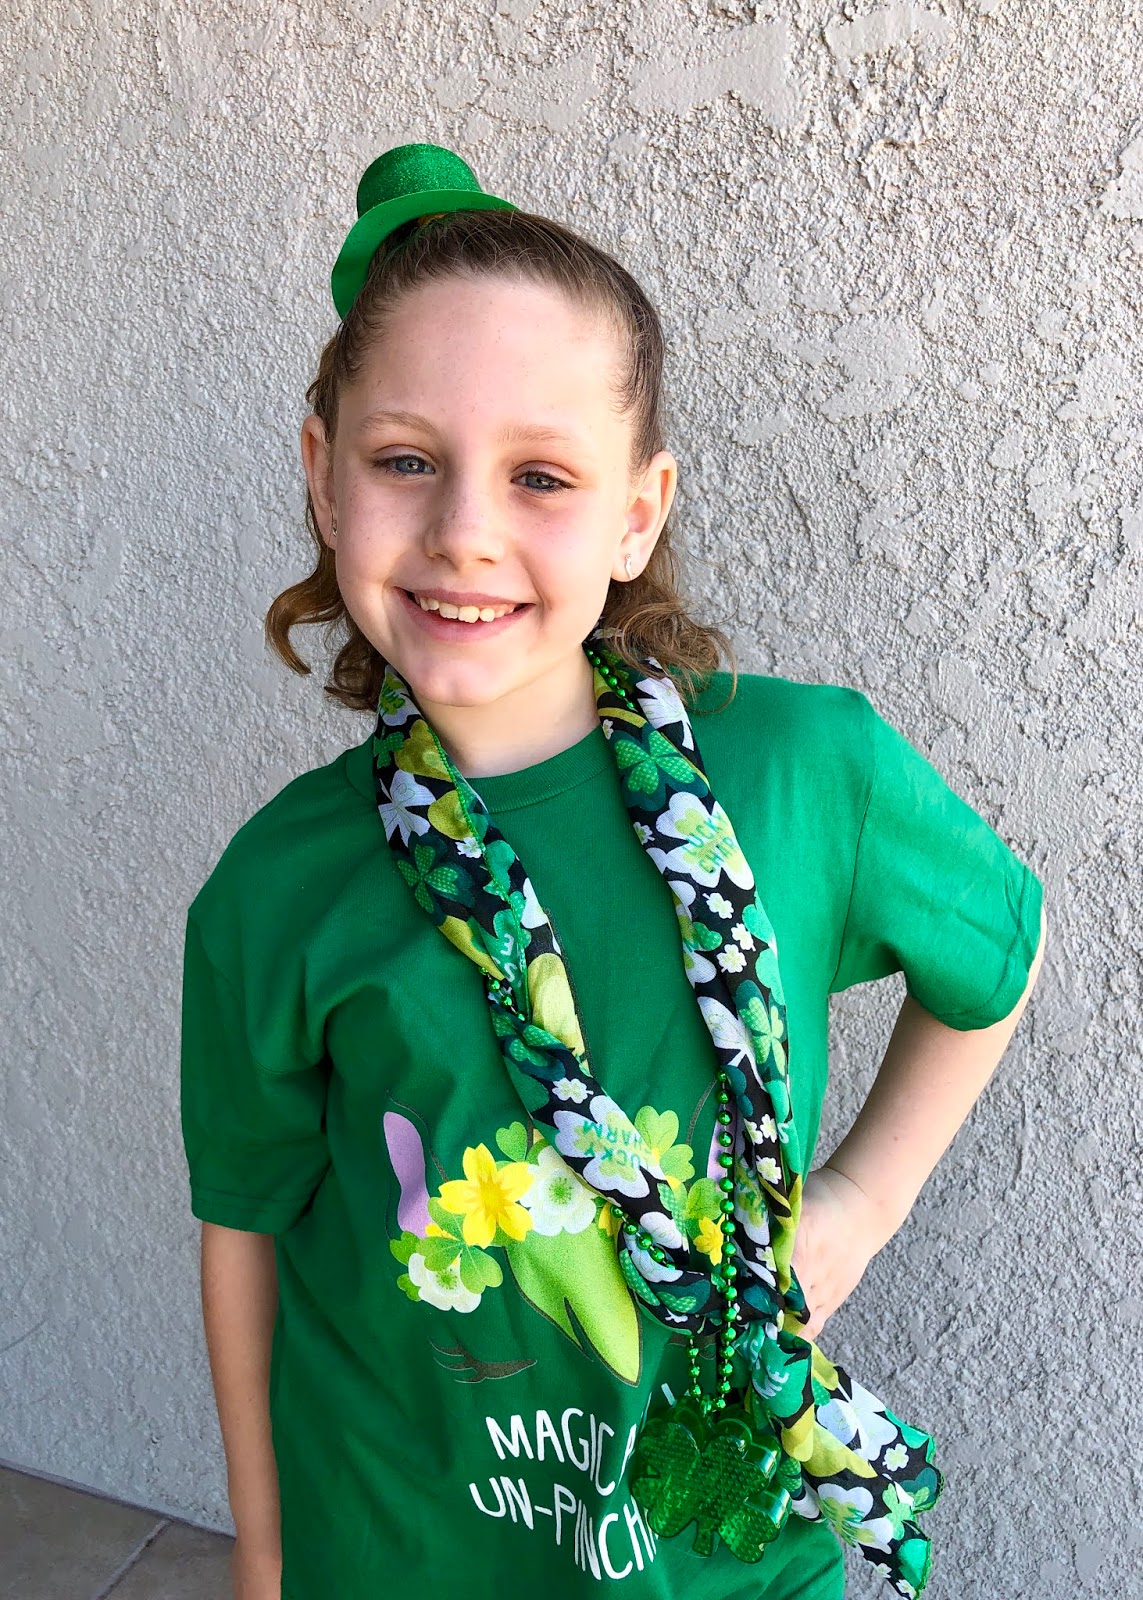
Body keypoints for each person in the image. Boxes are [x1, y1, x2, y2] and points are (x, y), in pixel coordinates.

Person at [180, 145, 1046, 1600]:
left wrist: (859, 1202)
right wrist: (266, 1561)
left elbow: (995, 954)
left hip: (722, 1553)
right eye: (406, 460)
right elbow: (246, 1236)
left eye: (540, 476)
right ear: (324, 478)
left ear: (639, 513)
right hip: (393, 1552)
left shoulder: (802, 774)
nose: (465, 530)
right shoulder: (280, 885)